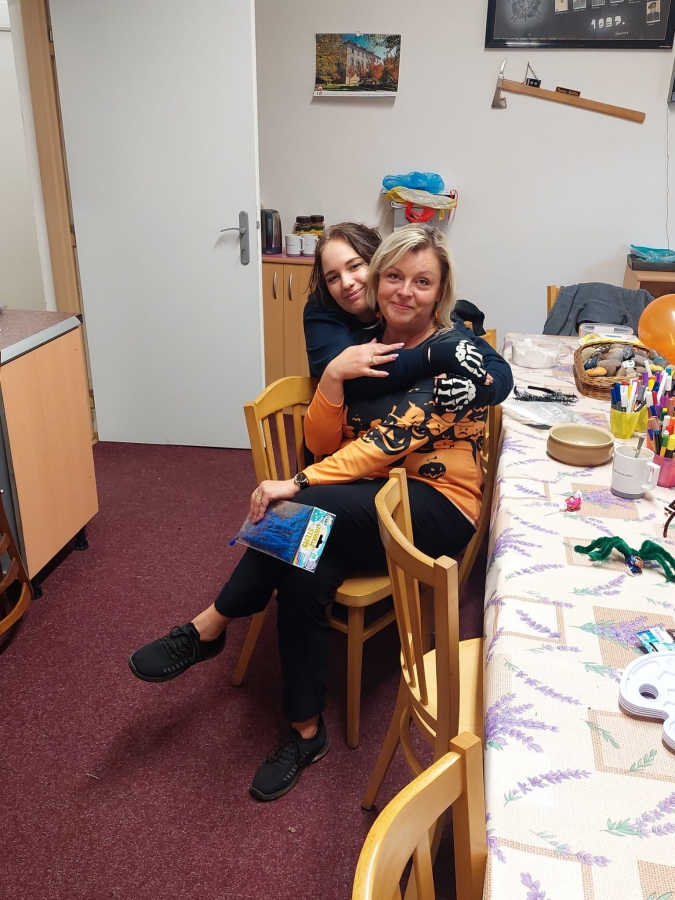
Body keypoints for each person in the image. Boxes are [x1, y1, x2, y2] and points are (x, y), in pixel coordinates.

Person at [128, 225, 490, 803]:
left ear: (440, 290)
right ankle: (305, 731)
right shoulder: (363, 345)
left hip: (436, 503)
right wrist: (335, 376)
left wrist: (297, 482)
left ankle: (213, 623)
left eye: (422, 281)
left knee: (301, 508)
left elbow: (390, 442)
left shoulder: (450, 353)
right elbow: (322, 440)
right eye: (395, 277)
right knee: (303, 566)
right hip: (364, 501)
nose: (404, 291)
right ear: (380, 280)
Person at [303, 222, 513, 412]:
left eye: (355, 266)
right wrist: (434, 357)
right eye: (333, 277)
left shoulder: (418, 309)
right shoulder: (322, 310)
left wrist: (481, 392)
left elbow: (493, 364)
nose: (347, 283)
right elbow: (348, 382)